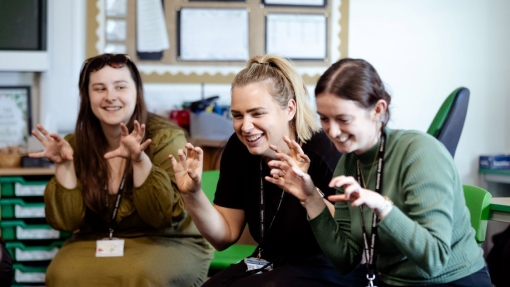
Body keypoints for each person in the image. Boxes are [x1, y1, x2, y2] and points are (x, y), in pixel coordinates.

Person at [266, 58, 492, 287]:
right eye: (324, 118)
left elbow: (434, 259)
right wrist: (310, 197)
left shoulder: (419, 152)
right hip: (394, 282)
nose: (331, 131)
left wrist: (382, 207)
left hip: (453, 281)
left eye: (343, 119)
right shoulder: (347, 164)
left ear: (378, 110)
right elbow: (345, 260)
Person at [169, 55, 366, 286]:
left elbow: (356, 240)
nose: (246, 126)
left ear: (290, 109)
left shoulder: (326, 151)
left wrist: (309, 193)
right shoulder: (238, 148)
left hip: (332, 265)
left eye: (258, 113)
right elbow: (224, 236)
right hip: (272, 261)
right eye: (238, 115)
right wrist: (192, 194)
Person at [29, 54, 213, 287]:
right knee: (61, 274)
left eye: (120, 87)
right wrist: (64, 165)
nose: (110, 97)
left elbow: (163, 217)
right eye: (99, 88)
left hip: (166, 240)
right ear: (87, 96)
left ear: (137, 92)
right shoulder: (75, 144)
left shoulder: (166, 138)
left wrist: (139, 160)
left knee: (142, 275)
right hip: (96, 240)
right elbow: (67, 222)